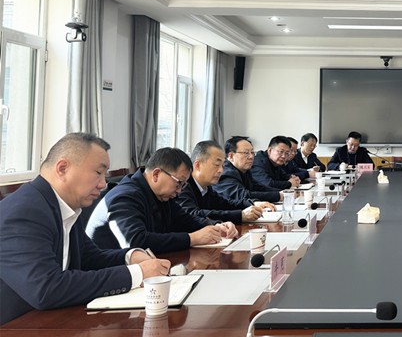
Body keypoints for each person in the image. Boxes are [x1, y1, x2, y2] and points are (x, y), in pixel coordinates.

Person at [0, 133, 170, 325]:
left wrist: (130, 257)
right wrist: (137, 273)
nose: (103, 184)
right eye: (98, 173)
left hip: (48, 323)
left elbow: (89, 259)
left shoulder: (63, 206)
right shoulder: (23, 211)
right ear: (62, 168)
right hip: (14, 332)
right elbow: (45, 288)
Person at [86, 147, 238, 254]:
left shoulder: (161, 194)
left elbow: (186, 220)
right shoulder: (125, 196)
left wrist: (216, 226)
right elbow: (136, 241)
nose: (179, 191)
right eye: (179, 183)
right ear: (156, 174)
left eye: (183, 185)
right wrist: (191, 239)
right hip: (109, 274)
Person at [176, 140, 274, 224]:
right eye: (217, 164)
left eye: (223, 165)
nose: (221, 170)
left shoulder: (207, 187)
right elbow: (193, 213)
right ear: (197, 165)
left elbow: (226, 204)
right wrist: (240, 215)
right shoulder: (182, 186)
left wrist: (252, 204)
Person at [216, 136, 283, 204]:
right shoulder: (226, 173)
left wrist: (281, 192)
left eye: (252, 152)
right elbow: (242, 195)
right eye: (246, 153)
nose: (251, 157)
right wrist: (278, 195)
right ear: (231, 156)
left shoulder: (244, 170)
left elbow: (257, 187)